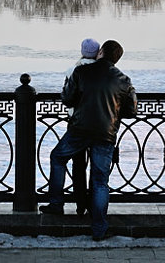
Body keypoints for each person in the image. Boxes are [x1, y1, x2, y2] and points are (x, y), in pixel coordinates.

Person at [39, 38, 137, 241]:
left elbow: (67, 98)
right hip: (105, 133)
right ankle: (99, 228)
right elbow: (131, 111)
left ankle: (56, 204)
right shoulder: (124, 80)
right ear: (117, 59)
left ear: (100, 52)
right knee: (100, 180)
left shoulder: (81, 72)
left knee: (58, 158)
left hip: (80, 130)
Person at [64, 37, 100, 215]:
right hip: (98, 123)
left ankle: (80, 203)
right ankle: (95, 203)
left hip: (76, 123)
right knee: (97, 164)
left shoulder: (73, 70)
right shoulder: (101, 71)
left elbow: (66, 96)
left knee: (78, 165)